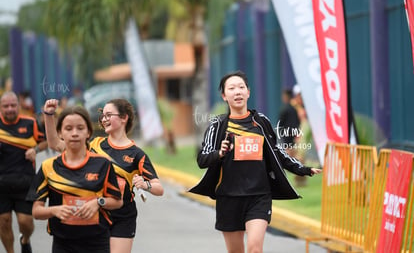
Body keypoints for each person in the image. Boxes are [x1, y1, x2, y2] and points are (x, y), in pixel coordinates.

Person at [189, 71, 322, 253]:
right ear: (224, 96)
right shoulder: (217, 126)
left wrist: (303, 169)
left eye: (241, 87)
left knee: (254, 248)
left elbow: (277, 153)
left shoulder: (261, 122)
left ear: (248, 92)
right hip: (228, 198)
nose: (237, 92)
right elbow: (202, 159)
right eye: (232, 88)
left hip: (259, 197)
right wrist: (219, 153)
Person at [43, 98, 164, 253]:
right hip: (95, 213)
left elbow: (159, 188)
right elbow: (55, 144)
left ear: (123, 118)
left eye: (109, 115)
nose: (104, 119)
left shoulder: (136, 154)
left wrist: (145, 184)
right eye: (103, 116)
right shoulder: (94, 144)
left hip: (123, 216)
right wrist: (48, 115)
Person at [26, 105, 123, 253]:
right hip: (63, 243)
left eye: (80, 128)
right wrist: (55, 210)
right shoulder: (49, 167)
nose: (75, 133)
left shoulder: (102, 164)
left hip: (97, 242)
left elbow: (117, 201)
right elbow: (36, 211)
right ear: (60, 133)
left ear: (88, 132)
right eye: (68, 128)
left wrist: (98, 202)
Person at [0, 91, 48, 253]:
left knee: (26, 222)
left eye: (13, 105)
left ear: (18, 106)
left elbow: (46, 141)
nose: (10, 109)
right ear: (1, 108)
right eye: (6, 106)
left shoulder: (30, 123)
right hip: (1, 184)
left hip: (25, 181)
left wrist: (35, 149)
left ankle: (25, 239)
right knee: (4, 221)